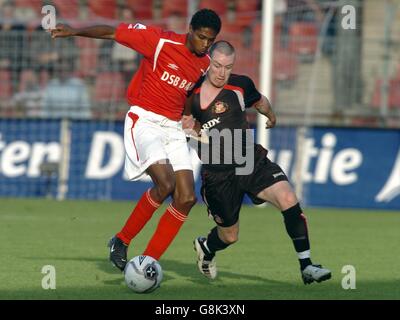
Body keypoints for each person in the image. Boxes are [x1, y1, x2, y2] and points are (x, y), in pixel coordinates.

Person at [50, 9, 221, 271]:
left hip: (173, 127)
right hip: (145, 121)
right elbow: (112, 31)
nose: (205, 44)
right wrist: (74, 30)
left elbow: (189, 90)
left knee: (186, 198)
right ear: (190, 30)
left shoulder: (205, 63)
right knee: (165, 184)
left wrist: (189, 116)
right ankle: (121, 240)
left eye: (211, 40)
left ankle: (148, 262)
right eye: (201, 37)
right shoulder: (160, 41)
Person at [183, 40, 331, 284]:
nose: (221, 73)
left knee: (288, 199)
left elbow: (260, 100)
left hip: (248, 160)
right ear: (208, 61)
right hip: (218, 174)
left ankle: (307, 266)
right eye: (217, 66)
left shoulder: (241, 85)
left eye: (227, 67)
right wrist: (193, 131)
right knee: (230, 236)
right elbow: (183, 124)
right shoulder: (192, 92)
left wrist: (271, 115)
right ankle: (207, 246)